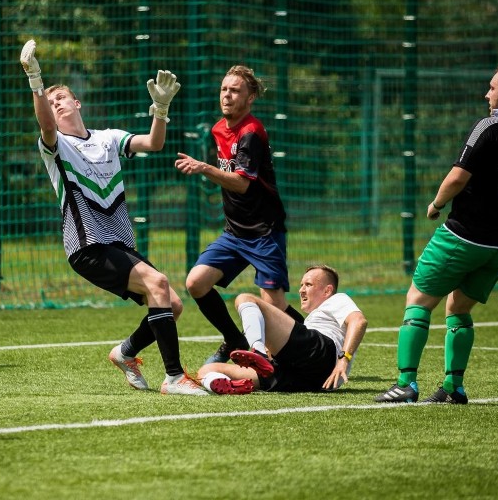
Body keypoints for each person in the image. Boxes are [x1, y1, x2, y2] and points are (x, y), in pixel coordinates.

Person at [19, 39, 207, 396]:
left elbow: (154, 144)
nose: (57, 103)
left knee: (172, 302)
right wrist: (36, 81)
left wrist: (161, 110)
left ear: (78, 103)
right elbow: (44, 125)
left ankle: (125, 353)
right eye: (51, 101)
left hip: (118, 241)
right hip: (88, 244)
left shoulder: (108, 138)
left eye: (63, 97)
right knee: (160, 283)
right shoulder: (56, 144)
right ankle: (174, 378)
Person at [375, 65, 498, 405]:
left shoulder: (489, 126)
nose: (487, 94)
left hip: (464, 235)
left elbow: (458, 176)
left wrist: (437, 203)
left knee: (418, 299)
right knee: (458, 307)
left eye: (492, 87)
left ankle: (405, 385)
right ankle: (453, 388)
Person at [174, 65, 297, 365]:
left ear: (251, 97)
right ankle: (233, 339)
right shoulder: (219, 129)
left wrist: (204, 168)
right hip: (235, 233)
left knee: (274, 308)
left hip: (264, 232)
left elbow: (241, 184)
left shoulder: (251, 133)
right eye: (224, 89)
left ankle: (318, 347)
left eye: (235, 90)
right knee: (196, 283)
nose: (227, 95)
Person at [197, 265, 368, 395]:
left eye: (308, 284)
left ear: (327, 290)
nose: (301, 290)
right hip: (313, 380)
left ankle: (258, 352)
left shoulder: (338, 299)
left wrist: (343, 359)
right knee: (206, 370)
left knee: (245, 298)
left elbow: (359, 321)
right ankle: (234, 384)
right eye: (301, 285)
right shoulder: (310, 321)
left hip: (322, 355)